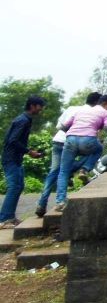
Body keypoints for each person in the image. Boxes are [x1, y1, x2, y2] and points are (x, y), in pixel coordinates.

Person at [35, 91, 101, 217]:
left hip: (58, 140)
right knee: (92, 153)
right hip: (73, 141)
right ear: (97, 103)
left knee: (55, 172)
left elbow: (59, 125)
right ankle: (78, 170)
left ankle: (41, 204)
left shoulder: (72, 108)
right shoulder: (94, 113)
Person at [53, 94, 107, 213]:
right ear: (105, 103)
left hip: (70, 140)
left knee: (63, 171)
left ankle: (60, 202)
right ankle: (84, 169)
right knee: (98, 149)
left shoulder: (81, 111)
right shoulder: (106, 113)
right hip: (88, 140)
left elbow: (64, 127)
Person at [1, 97, 46, 227]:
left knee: (19, 186)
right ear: (32, 106)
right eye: (40, 106)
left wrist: (28, 151)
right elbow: (12, 141)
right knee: (14, 187)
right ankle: (4, 219)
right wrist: (29, 152)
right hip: (11, 159)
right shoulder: (23, 120)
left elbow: (14, 140)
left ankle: (10, 217)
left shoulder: (24, 119)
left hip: (15, 158)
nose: (41, 109)